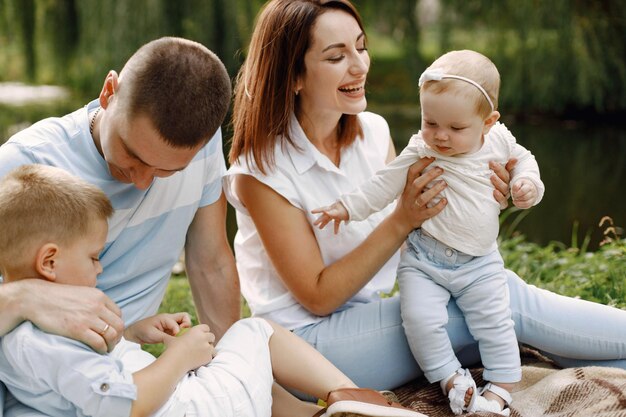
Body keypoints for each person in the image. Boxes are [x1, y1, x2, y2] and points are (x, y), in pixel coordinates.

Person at [223, 0, 626, 407]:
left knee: (493, 303)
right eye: (336, 56)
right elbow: (318, 296)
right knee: (504, 302)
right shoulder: (262, 171)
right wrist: (402, 219)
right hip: (310, 348)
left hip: (375, 320)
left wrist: (478, 197)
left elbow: (421, 227)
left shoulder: (372, 132)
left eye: (361, 47)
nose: (359, 66)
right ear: (293, 76)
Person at [0, 164, 423, 417]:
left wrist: (132, 333)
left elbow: (81, 377)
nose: (100, 265)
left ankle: (319, 413)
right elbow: (126, 405)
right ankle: (361, 401)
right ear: (49, 262)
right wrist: (180, 358)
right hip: (192, 408)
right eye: (93, 256)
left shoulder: (38, 326)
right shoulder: (39, 342)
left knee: (242, 361)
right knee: (257, 333)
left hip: (188, 404)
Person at [0, 37, 239, 416]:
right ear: (109, 92)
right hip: (38, 387)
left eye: (167, 170)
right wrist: (21, 297)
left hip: (125, 369)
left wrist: (230, 370)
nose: (142, 181)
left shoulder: (201, 146)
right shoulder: (23, 164)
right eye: (132, 153)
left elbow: (210, 261)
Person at [312, 49, 544, 415]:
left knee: (495, 321)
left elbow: (525, 162)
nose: (441, 136)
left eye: (456, 128)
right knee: (419, 321)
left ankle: (499, 390)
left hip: (478, 262)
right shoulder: (421, 147)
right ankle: (452, 379)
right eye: (430, 122)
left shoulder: (499, 141)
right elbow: (383, 183)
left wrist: (527, 184)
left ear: (488, 122)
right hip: (423, 259)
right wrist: (347, 207)